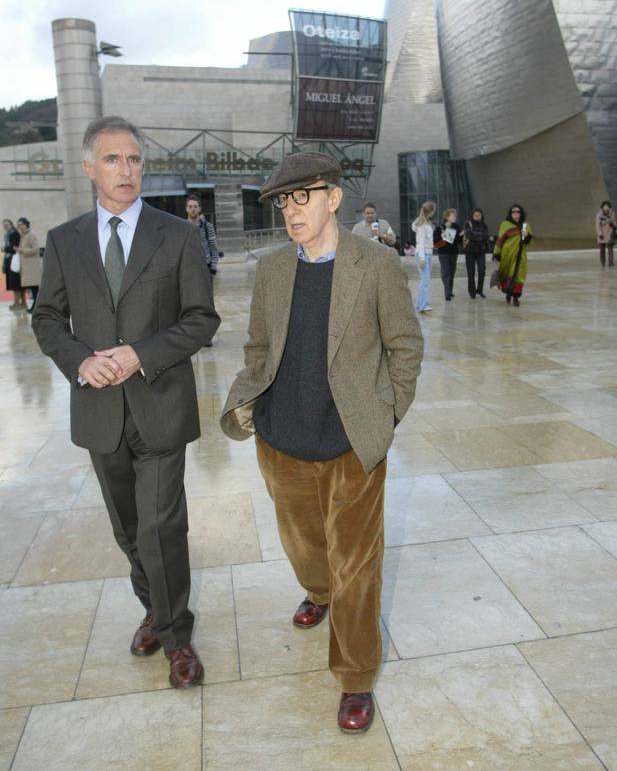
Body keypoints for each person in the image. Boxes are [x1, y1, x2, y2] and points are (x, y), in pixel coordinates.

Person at [220, 152, 423, 733]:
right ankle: (318, 589)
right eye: (284, 201)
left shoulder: (377, 266)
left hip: (350, 446)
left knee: (357, 566)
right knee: (306, 548)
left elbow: (405, 347)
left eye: (301, 196)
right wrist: (250, 403)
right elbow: (258, 349)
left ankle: (356, 677)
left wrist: (386, 416)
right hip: (282, 441)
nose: (291, 210)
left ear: (333, 198)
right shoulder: (273, 270)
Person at [32, 116, 220, 690]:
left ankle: (176, 637)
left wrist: (140, 353)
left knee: (162, 526)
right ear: (90, 168)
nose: (127, 170)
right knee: (129, 528)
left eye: (135, 159)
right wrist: (80, 362)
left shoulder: (179, 235)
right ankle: (155, 608)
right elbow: (45, 317)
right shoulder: (65, 241)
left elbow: (200, 319)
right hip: (99, 413)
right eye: (113, 160)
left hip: (160, 403)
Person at [493, 204, 534, 306]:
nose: (516, 213)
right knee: (508, 274)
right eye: (513, 212)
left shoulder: (526, 225)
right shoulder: (505, 224)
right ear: (510, 214)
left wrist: (527, 237)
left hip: (520, 255)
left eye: (518, 212)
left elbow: (530, 241)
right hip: (508, 255)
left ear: (521, 214)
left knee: (519, 275)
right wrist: (496, 253)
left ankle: (516, 297)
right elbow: (500, 240)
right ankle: (508, 293)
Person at [185, 194, 219, 275]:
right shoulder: (182, 228)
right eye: (190, 206)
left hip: (206, 269)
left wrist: (212, 269)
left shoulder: (208, 227)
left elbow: (214, 248)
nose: (193, 209)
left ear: (199, 209)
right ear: (186, 209)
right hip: (188, 270)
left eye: (195, 206)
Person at [411, 201, 436, 312]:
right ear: (431, 211)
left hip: (428, 254)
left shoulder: (426, 223)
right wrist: (422, 258)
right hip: (423, 254)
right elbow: (420, 242)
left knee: (424, 280)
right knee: (425, 281)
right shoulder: (422, 225)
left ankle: (420, 304)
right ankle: (423, 305)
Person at [434, 208, 462, 302]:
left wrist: (462, 235)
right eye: (452, 215)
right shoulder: (439, 228)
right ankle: (447, 293)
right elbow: (435, 242)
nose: (455, 217)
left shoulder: (457, 227)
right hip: (443, 253)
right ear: (447, 217)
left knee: (452, 271)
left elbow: (458, 241)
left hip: (454, 252)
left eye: (455, 215)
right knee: (446, 272)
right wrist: (442, 235)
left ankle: (449, 290)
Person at [16, 217, 41, 313]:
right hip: (26, 267)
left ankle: (36, 307)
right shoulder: (23, 236)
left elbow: (35, 250)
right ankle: (35, 306)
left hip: (31, 267)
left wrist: (22, 250)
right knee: (32, 288)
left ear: (26, 224)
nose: (20, 226)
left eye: (21, 224)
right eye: (18, 225)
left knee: (35, 288)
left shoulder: (31, 236)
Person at [463, 208, 490, 299]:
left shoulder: (484, 224)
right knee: (471, 272)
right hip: (470, 251)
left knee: (482, 271)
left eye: (479, 215)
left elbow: (486, 235)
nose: (477, 217)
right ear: (472, 215)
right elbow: (469, 235)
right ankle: (472, 292)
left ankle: (480, 290)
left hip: (481, 251)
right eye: (476, 215)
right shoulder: (468, 223)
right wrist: (480, 236)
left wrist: (476, 236)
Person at [3, 218, 25, 311]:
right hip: (9, 260)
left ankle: (21, 302)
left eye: (7, 224)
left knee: (16, 282)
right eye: (4, 225)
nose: (5, 226)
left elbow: (14, 247)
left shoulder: (15, 233)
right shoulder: (7, 235)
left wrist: (7, 249)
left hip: (14, 260)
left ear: (11, 225)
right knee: (12, 283)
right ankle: (17, 302)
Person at [596, 200, 617, 267]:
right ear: (602, 207)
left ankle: (611, 262)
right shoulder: (599, 215)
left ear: (609, 207)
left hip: (609, 233)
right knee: (602, 250)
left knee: (610, 248)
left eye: (607, 206)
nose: (606, 207)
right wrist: (600, 234)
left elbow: (615, 224)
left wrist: (613, 225)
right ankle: (603, 262)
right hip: (602, 233)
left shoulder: (612, 214)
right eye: (605, 206)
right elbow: (597, 225)